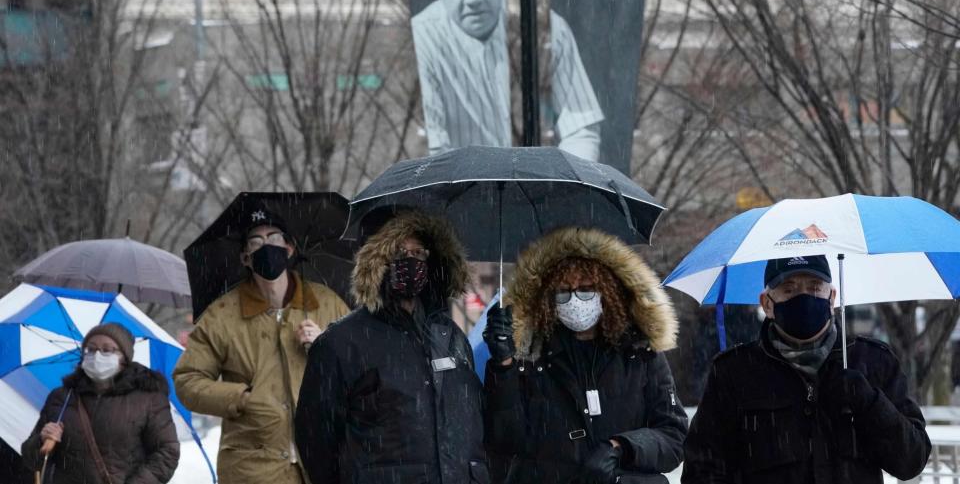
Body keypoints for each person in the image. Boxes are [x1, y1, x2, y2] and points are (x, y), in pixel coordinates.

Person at [682, 254, 931, 483]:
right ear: (767, 303)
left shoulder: (873, 361)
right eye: (789, 290)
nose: (803, 298)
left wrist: (868, 402)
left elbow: (912, 460)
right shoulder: (733, 372)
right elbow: (702, 470)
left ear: (832, 298)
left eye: (814, 288)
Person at [295, 210, 488, 484]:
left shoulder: (451, 336)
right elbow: (315, 440)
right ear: (375, 262)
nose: (410, 261)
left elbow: (473, 428)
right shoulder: (341, 342)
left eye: (419, 253)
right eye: (399, 252)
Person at [483, 227, 687, 483]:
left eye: (586, 289)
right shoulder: (530, 359)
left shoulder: (640, 354)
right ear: (548, 297)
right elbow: (505, 440)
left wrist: (622, 447)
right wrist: (503, 367)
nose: (575, 300)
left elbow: (674, 436)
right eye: (564, 291)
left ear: (608, 293)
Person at [173, 205, 349, 484]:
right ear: (246, 257)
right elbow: (187, 380)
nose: (267, 246)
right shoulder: (221, 315)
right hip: (252, 470)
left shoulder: (327, 304)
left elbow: (360, 373)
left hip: (321, 463)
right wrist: (241, 398)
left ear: (289, 249)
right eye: (256, 242)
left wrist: (326, 346)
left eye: (275, 238)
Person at [411, 0, 605, 160]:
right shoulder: (422, 37)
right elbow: (433, 148)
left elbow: (580, 127)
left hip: (537, 182)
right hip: (461, 185)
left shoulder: (545, 29)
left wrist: (564, 189)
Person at [22, 323, 179, 484]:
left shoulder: (149, 399)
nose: (97, 355)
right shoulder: (62, 397)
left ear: (124, 357)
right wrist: (42, 441)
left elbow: (167, 453)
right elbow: (32, 461)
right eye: (91, 349)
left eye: (107, 350)